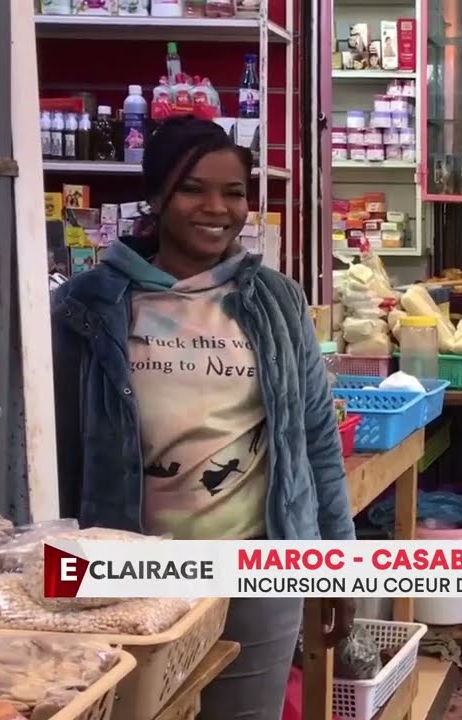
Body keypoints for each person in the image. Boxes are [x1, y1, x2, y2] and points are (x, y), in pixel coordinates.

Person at [49, 117, 355, 719]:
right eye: (194, 188)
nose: (218, 207)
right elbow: (56, 450)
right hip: (128, 577)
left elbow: (317, 439)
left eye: (234, 192)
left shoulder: (275, 300)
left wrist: (337, 568)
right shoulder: (86, 307)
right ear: (158, 196)